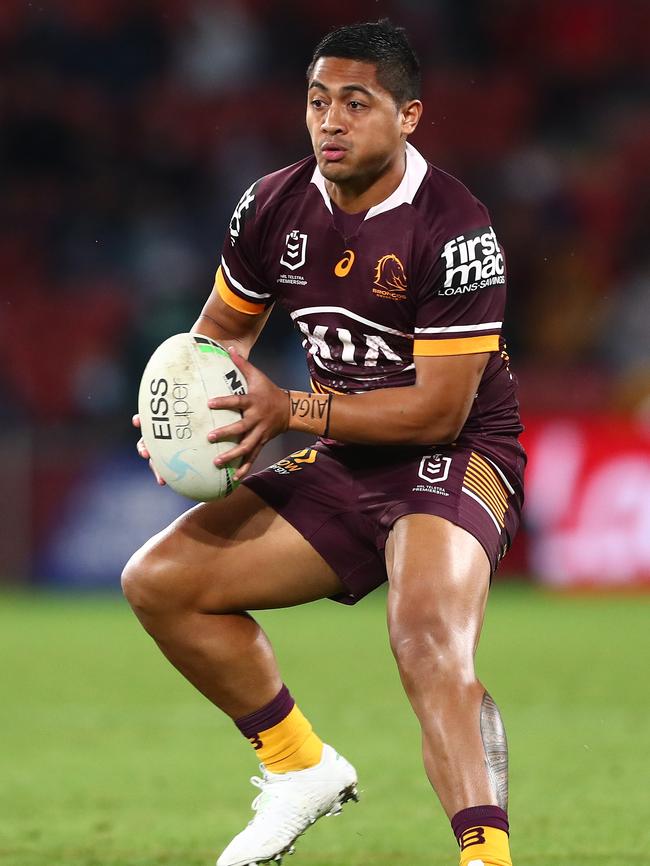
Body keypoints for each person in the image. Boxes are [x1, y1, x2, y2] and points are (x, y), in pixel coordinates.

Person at [123, 18, 525, 866]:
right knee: (161, 582)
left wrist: (290, 410)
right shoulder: (272, 205)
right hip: (348, 456)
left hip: (460, 458)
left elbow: (438, 414)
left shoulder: (454, 227)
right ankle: (299, 768)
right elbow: (217, 341)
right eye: (316, 102)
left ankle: (485, 856)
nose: (330, 121)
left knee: (424, 634)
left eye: (355, 102)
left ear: (408, 116)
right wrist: (184, 410)